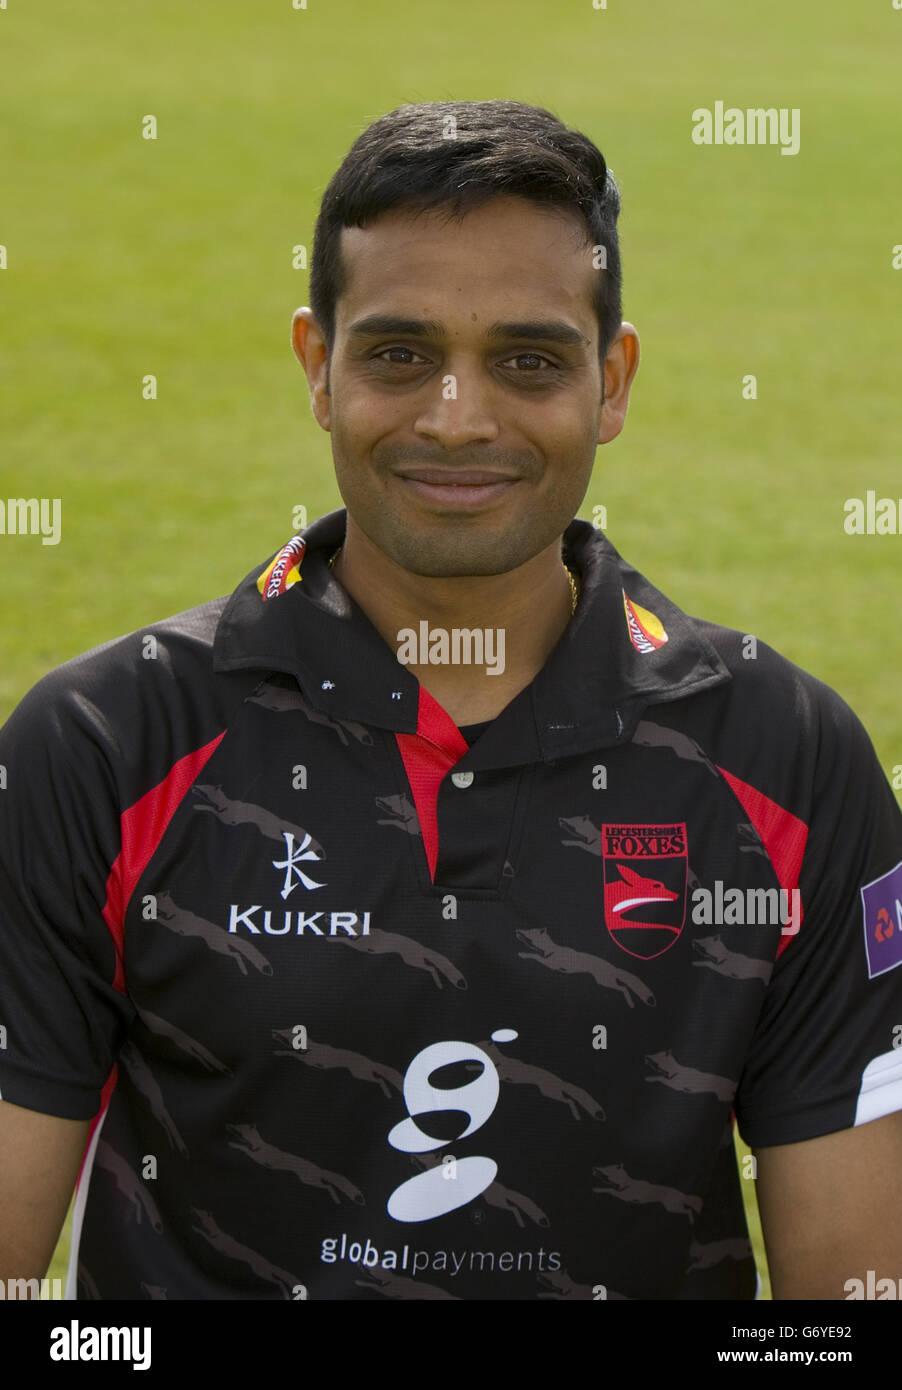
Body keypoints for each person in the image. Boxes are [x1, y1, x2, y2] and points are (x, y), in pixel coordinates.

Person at [1, 99, 900, 1303]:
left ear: (612, 380)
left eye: (527, 360)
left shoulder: (786, 760)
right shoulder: (99, 746)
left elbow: (850, 1302)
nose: (456, 418)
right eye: (397, 354)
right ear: (318, 370)